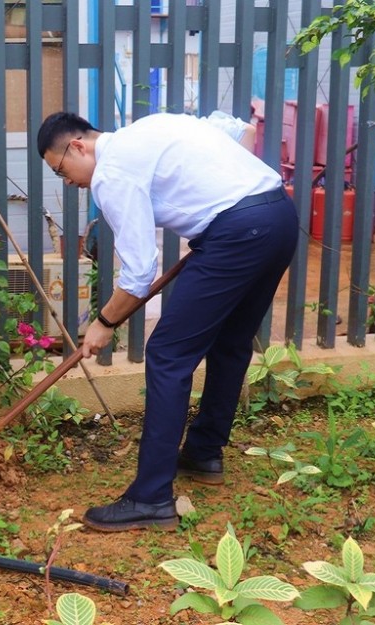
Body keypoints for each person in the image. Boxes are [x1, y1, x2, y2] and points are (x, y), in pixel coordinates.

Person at [36, 111, 297, 531]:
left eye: (61, 169)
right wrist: (231, 203)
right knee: (230, 342)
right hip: (278, 216)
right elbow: (239, 132)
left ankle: (151, 497)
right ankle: (204, 452)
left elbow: (139, 273)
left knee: (167, 354)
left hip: (238, 233)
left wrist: (104, 321)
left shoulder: (112, 174)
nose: (68, 181)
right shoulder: (152, 127)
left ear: (78, 146)